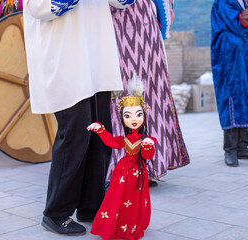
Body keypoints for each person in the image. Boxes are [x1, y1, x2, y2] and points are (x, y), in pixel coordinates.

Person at [23, 0, 135, 236]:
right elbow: (40, 7)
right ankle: (56, 213)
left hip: (96, 58)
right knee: (75, 135)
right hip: (65, 58)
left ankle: (91, 205)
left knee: (99, 134)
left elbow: (122, 2)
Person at [108, 0, 190, 185]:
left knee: (149, 95)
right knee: (123, 95)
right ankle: (123, 167)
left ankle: (147, 165)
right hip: (119, 27)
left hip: (147, 29)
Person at [88, 77, 155, 240]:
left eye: (138, 114)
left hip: (138, 174)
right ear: (123, 118)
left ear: (144, 116)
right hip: (122, 173)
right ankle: (117, 223)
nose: (134, 119)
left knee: (135, 201)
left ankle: (132, 223)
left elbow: (147, 155)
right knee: (117, 199)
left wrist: (147, 145)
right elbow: (110, 141)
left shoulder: (147, 140)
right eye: (128, 115)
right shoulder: (123, 139)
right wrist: (100, 129)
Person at [210, 0, 248, 167]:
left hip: (246, 55)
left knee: (245, 96)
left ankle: (242, 147)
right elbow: (238, 24)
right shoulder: (223, 2)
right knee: (231, 99)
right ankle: (230, 149)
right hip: (229, 57)